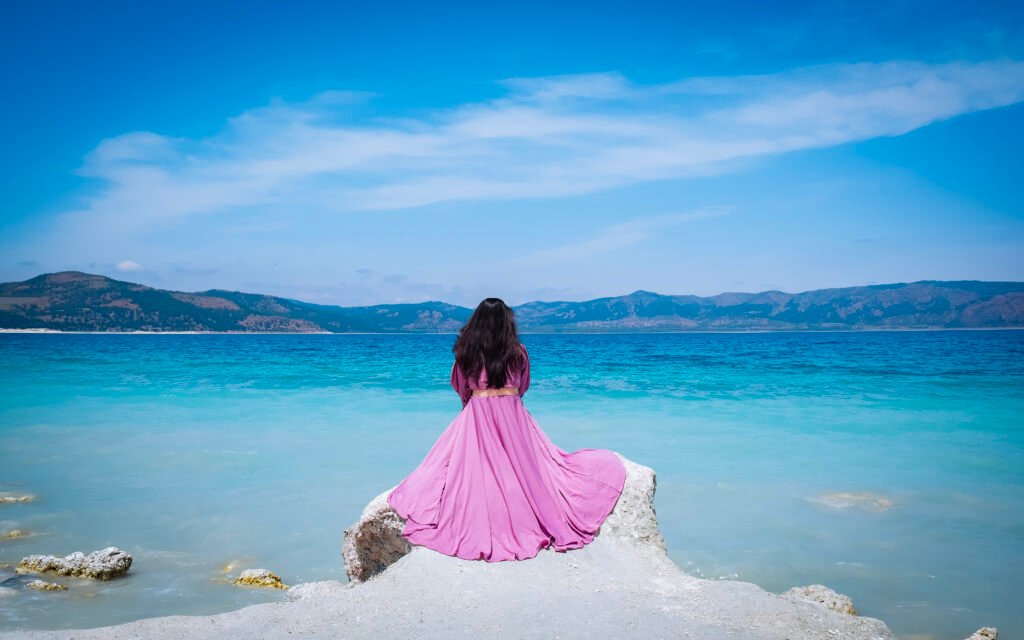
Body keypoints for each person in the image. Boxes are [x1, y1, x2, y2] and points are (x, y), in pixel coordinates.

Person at [386, 298, 627, 562]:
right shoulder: (518, 351)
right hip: (514, 416)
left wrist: (476, 403)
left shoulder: (465, 353)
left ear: (476, 322)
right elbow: (523, 387)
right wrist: (508, 402)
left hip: (478, 413)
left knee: (463, 473)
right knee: (538, 470)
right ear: (507, 323)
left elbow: (460, 386)